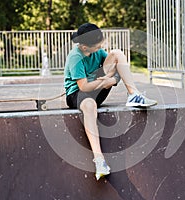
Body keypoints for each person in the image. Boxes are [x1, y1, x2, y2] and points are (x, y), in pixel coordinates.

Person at [64, 23, 157, 180]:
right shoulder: (75, 57)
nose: (101, 47)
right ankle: (99, 160)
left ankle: (133, 94)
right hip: (78, 94)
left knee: (117, 54)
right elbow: (84, 86)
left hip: (99, 85)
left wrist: (112, 79)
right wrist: (107, 81)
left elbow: (115, 67)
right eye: (97, 46)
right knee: (90, 105)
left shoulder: (97, 51)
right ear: (85, 47)